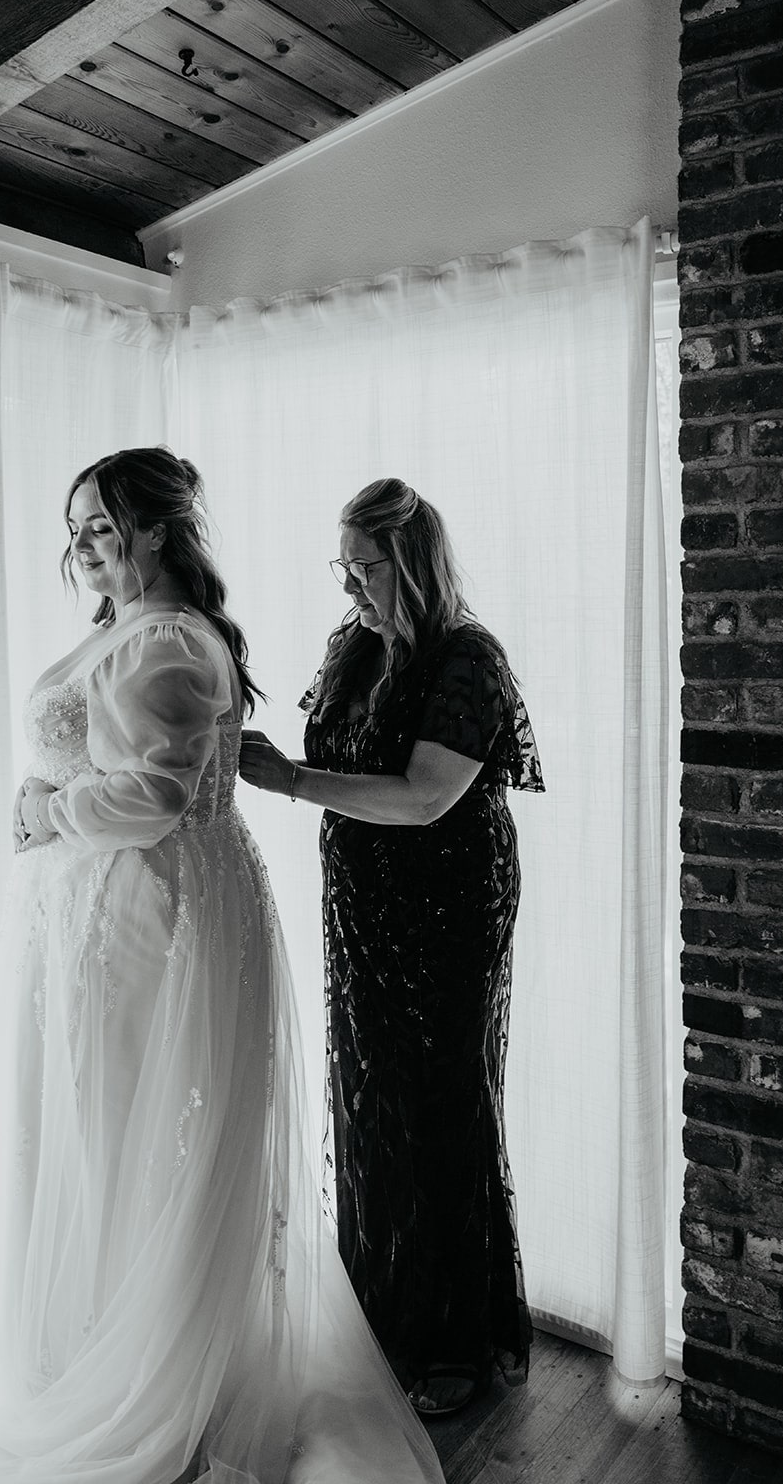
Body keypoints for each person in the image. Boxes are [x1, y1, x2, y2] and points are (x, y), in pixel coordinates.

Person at [0, 448, 444, 1484]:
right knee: (117, 1134)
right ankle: (108, 1346)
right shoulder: (146, 630)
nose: (79, 546)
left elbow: (153, 797)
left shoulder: (169, 639)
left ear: (157, 531)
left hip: (136, 919)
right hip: (135, 907)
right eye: (75, 527)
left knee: (117, 1129)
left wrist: (45, 809)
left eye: (98, 526)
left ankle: (132, 1374)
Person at [239, 477, 544, 1421]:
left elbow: (421, 795)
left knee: (440, 1105)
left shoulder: (467, 659)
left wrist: (289, 781)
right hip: (364, 905)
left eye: (365, 568)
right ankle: (382, 1315)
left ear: (413, 563)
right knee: (367, 1098)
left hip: (448, 909)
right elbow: (350, 757)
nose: (350, 589)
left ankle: (456, 1340)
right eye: (343, 567)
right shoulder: (354, 648)